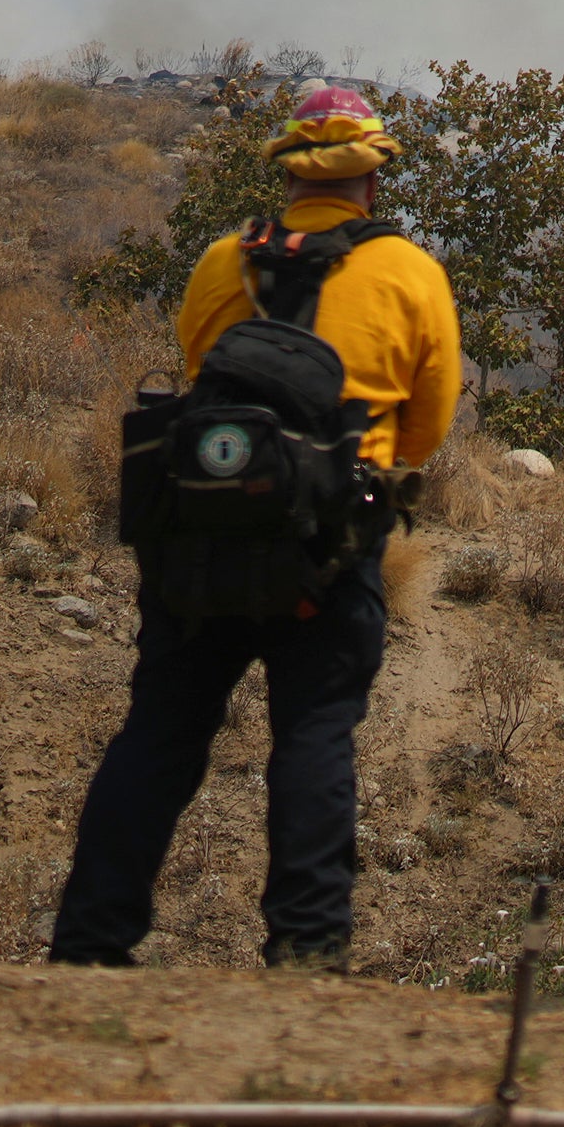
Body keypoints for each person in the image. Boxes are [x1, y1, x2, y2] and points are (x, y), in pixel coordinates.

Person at [48, 82, 461, 971]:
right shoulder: (412, 275)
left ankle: (89, 945)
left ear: (286, 175)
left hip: (198, 536)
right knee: (313, 731)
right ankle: (306, 950)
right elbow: (427, 424)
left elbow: (201, 369)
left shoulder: (219, 261)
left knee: (160, 730)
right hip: (330, 544)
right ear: (373, 181)